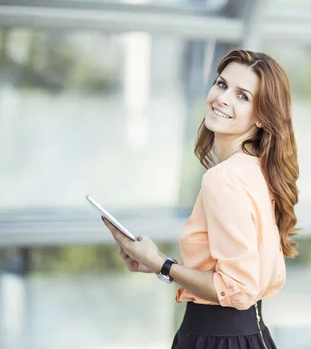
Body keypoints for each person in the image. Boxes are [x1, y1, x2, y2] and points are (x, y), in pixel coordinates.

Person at [102, 49, 299, 349]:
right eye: (221, 84)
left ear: (262, 117)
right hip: (250, 334)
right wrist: (155, 264)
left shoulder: (224, 178)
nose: (223, 98)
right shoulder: (256, 169)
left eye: (242, 96)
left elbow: (237, 288)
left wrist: (161, 264)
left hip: (216, 338)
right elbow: (235, 275)